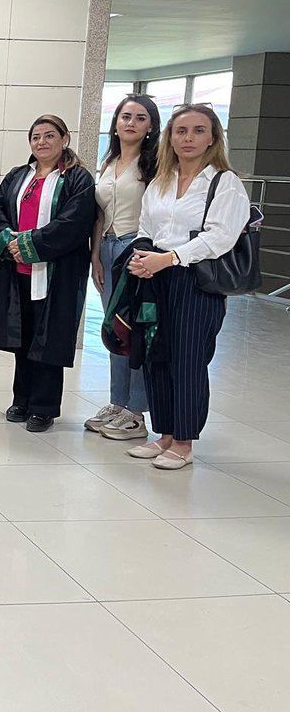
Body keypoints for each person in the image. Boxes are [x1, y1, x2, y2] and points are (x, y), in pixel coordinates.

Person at [125, 103, 251, 470]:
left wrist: (170, 258)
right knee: (157, 355)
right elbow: (146, 227)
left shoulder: (224, 182)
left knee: (188, 359)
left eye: (198, 131)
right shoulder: (161, 180)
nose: (188, 138)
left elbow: (220, 237)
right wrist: (142, 256)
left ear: (212, 138)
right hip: (156, 275)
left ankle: (184, 441)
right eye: (181, 131)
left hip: (196, 279)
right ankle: (164, 433)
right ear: (170, 137)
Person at [0, 114, 96, 432]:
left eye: (49, 136)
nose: (42, 142)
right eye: (36, 137)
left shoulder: (77, 179)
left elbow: (73, 222)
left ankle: (44, 407)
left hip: (55, 272)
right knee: (23, 336)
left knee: (48, 339)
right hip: (18, 269)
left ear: (64, 139)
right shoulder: (19, 175)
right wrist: (10, 242)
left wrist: (30, 244)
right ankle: (21, 399)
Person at [86, 94, 161, 439]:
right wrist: (95, 256)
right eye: (125, 116)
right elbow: (99, 214)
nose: (131, 123)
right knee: (115, 330)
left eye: (140, 118)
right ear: (115, 123)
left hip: (137, 249)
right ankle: (118, 402)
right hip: (108, 248)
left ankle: (136, 412)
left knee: (136, 332)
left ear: (151, 127)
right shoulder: (109, 161)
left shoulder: (156, 163)